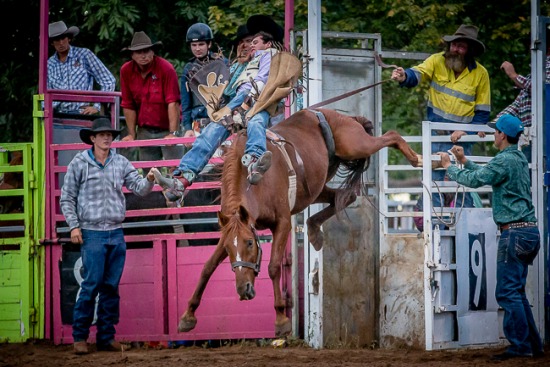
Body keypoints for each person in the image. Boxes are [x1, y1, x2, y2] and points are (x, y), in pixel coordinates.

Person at [436, 114, 543, 361]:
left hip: (514, 232)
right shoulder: (515, 158)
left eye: (496, 132)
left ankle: (520, 346)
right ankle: (531, 344)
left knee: (507, 293)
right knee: (516, 292)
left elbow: (475, 180)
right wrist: (464, 160)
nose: (494, 134)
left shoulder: (505, 160)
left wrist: (449, 167)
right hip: (528, 232)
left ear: (502, 135)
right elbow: (488, 173)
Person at [154, 15, 291, 202]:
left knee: (255, 124)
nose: (248, 45)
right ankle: (182, 178)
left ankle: (255, 163)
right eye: (244, 42)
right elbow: (226, 91)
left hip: (259, 106)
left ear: (266, 43)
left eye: (253, 41)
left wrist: (247, 102)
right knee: (211, 132)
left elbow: (271, 86)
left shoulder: (274, 59)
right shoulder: (235, 66)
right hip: (236, 109)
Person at [60, 118, 156, 355]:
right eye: (102, 134)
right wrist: (74, 226)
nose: (107, 138)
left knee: (110, 286)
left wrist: (151, 179)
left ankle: (105, 337)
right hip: (92, 232)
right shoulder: (79, 163)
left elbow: (140, 189)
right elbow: (67, 197)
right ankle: (80, 336)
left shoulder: (120, 162)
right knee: (92, 284)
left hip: (114, 231)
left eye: (109, 135)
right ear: (92, 138)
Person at [391, 24, 491, 209]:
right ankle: (435, 226)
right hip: (436, 134)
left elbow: (483, 113)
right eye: (454, 44)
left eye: (461, 46)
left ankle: (465, 227)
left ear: (469, 51)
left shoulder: (481, 74)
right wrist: (404, 76)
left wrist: (465, 131)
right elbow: (417, 73)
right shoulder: (437, 61)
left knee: (463, 182)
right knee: (434, 181)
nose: (456, 49)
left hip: (463, 140)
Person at [119, 31, 184, 168]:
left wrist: (173, 133)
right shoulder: (126, 71)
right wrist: (132, 134)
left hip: (167, 127)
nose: (143, 55)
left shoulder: (166, 69)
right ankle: (154, 189)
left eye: (146, 51)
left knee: (176, 169)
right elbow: (128, 104)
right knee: (149, 172)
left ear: (153, 51)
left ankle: (177, 188)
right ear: (132, 55)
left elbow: (173, 102)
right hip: (144, 129)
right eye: (138, 52)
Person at [495, 28, 550, 160]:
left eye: (532, 46)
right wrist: (496, 122)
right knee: (529, 171)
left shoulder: (546, 67)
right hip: (530, 136)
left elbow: (541, 91)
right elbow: (517, 104)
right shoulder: (535, 73)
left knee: (538, 171)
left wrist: (513, 75)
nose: (529, 50)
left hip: (544, 135)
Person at [47, 21, 116, 115]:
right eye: (57, 40)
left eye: (63, 38)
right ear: (52, 43)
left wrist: (97, 106)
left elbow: (108, 80)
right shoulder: (49, 64)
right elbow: (45, 93)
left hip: (81, 113)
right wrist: (46, 111)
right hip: (57, 115)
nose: (61, 43)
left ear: (69, 38)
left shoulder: (84, 55)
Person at [181, 23, 229, 138]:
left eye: (201, 44)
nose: (197, 48)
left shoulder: (223, 63)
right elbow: (186, 102)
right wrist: (187, 127)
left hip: (222, 121)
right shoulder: (188, 69)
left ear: (209, 44)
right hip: (198, 123)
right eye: (194, 45)